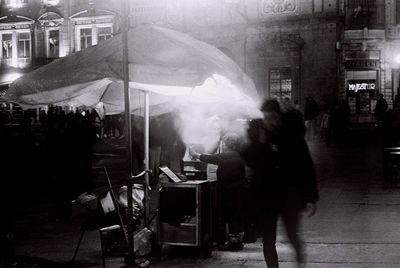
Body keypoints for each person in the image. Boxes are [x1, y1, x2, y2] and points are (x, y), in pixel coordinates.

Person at [256, 99, 319, 267]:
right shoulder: (262, 138)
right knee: (268, 240)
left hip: (289, 196)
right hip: (268, 197)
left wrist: (311, 197)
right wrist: (260, 145)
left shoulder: (293, 138)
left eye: (271, 118)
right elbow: (256, 165)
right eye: (266, 119)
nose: (269, 122)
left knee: (292, 236)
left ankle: (300, 264)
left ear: (279, 117)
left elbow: (306, 167)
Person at [189, 132, 246, 251]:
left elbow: (211, 158)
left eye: (224, 142)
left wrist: (195, 154)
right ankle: (237, 241)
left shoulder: (227, 155)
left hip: (229, 192)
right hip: (237, 191)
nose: (223, 144)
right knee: (235, 216)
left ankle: (234, 244)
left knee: (231, 216)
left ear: (228, 143)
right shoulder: (238, 154)